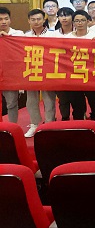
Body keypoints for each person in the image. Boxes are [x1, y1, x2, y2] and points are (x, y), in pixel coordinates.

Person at [24, 9, 57, 137]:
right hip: (31, 70)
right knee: (31, 100)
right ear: (29, 21)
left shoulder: (53, 35)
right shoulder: (24, 36)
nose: (36, 22)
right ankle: (34, 124)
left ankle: (49, 124)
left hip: (48, 70)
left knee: (49, 99)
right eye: (33, 19)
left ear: (44, 20)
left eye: (39, 19)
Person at [58, 9, 92, 122]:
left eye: (82, 20)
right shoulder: (67, 38)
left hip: (91, 73)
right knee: (77, 101)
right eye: (77, 21)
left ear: (88, 21)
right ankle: (78, 121)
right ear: (73, 22)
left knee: (94, 100)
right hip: (74, 74)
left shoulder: (94, 36)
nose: (80, 23)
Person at [0, 7, 27, 124]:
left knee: (11, 103)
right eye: (0, 19)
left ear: (10, 20)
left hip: (10, 74)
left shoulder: (18, 34)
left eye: (6, 19)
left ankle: (12, 127)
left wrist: (7, 39)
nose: (3, 22)